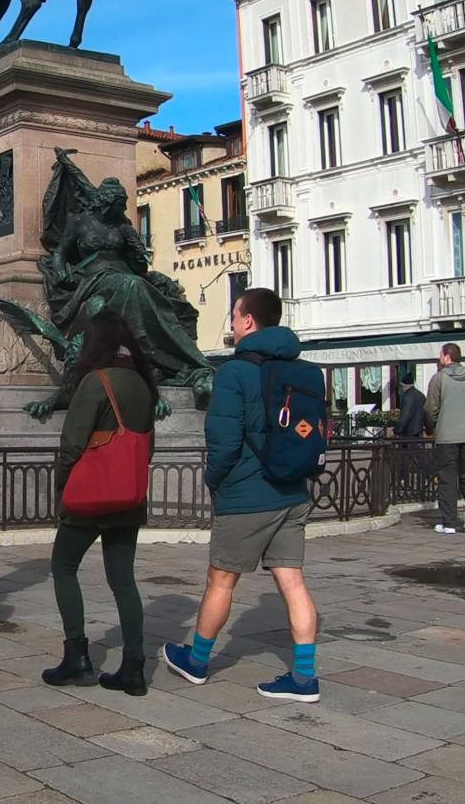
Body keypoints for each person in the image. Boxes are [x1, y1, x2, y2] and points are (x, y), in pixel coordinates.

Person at [163, 288, 322, 703]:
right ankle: (305, 676)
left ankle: (197, 660)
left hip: (247, 496)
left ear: (248, 321)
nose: (231, 324)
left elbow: (223, 439)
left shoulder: (234, 373)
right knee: (293, 581)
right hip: (292, 490)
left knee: (221, 579)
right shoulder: (299, 367)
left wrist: (216, 480)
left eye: (234, 316)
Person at [43, 311, 157, 696]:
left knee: (63, 566)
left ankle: (77, 656)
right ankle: (134, 666)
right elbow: (148, 446)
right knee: (123, 579)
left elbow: (71, 443)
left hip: (90, 496)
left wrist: (61, 487)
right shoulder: (143, 384)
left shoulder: (96, 381)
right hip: (127, 495)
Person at [427, 343, 465, 535]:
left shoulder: (439, 378)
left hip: (447, 436)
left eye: (440, 355)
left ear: (446, 356)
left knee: (447, 479)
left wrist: (434, 426)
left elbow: (431, 409)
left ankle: (449, 523)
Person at [395, 366, 429, 444]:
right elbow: (426, 413)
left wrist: (397, 430)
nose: (402, 389)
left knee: (408, 454)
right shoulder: (421, 395)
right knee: (418, 454)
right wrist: (429, 429)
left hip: (408, 434)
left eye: (402, 386)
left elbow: (405, 416)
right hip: (419, 431)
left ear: (405, 386)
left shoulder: (407, 397)